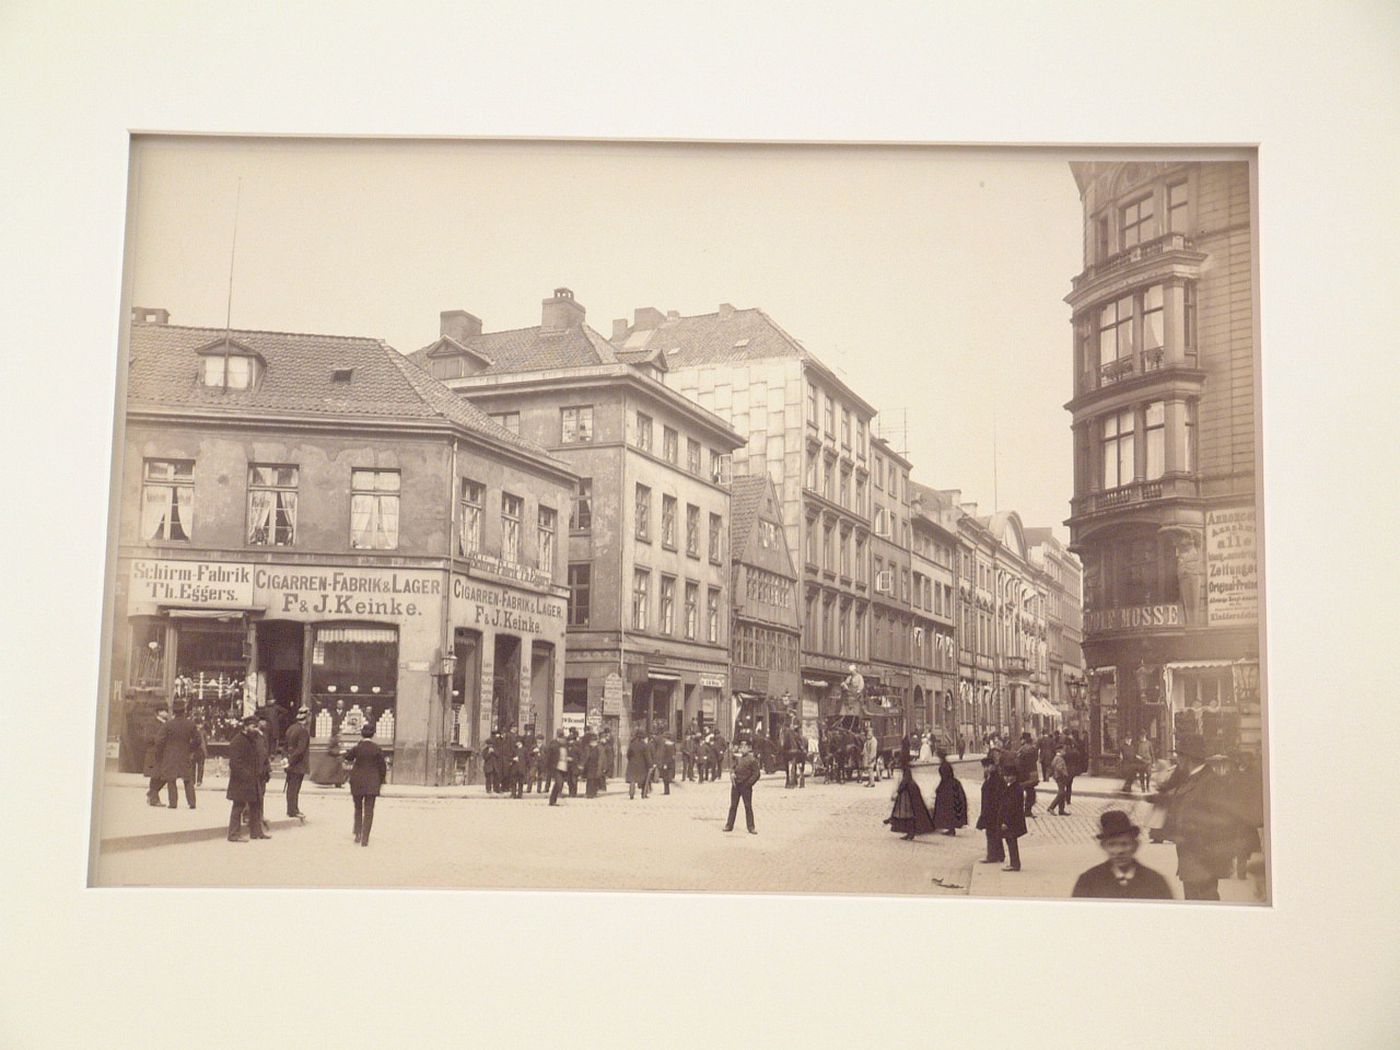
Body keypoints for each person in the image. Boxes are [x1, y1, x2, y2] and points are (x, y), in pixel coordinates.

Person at [1161, 734, 1238, 900]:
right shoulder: (1193, 778)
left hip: (1204, 860)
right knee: (1193, 901)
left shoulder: (1211, 782)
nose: (1177, 761)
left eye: (1179, 756)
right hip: (1191, 858)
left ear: (1187, 758)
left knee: (1204, 904)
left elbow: (1220, 822)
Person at [1072, 810, 1174, 900]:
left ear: (1135, 845)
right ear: (1103, 846)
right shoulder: (1088, 881)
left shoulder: (1155, 882)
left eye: (1124, 844)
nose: (1119, 851)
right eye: (1112, 844)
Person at [343, 723, 387, 846]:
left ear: (362, 734)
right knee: (369, 810)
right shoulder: (377, 749)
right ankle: (365, 838)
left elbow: (348, 757)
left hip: (357, 781)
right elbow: (382, 767)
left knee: (358, 808)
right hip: (372, 783)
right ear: (373, 735)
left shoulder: (357, 747)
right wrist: (381, 780)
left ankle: (357, 833)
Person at [154, 699, 202, 809]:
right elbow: (198, 740)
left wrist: (164, 749)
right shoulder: (190, 724)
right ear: (184, 711)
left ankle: (173, 803)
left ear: (174, 712)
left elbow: (159, 740)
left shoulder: (168, 725)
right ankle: (192, 802)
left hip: (170, 755)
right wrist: (190, 748)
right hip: (185, 754)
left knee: (171, 780)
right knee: (187, 779)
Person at [226, 716, 267, 842]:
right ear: (245, 727)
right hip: (241, 781)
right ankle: (233, 834)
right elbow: (234, 763)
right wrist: (246, 775)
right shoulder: (237, 741)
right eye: (253, 727)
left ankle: (256, 832)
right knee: (238, 806)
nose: (256, 729)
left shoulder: (252, 740)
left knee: (255, 806)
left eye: (256, 726)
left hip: (253, 779)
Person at [884, 757, 935, 840]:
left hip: (908, 793)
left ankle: (910, 833)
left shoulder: (906, 769)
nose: (898, 763)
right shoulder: (906, 769)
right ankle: (909, 832)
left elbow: (905, 781)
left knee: (909, 814)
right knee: (909, 814)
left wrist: (899, 790)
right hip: (909, 791)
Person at [996, 759, 1028, 872]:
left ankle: (1015, 864)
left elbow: (1011, 807)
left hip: (1012, 820)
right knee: (1010, 841)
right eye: (1006, 776)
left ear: (1014, 776)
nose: (1007, 778)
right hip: (1013, 819)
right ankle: (1014, 863)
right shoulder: (1013, 787)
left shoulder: (1015, 789)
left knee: (1011, 841)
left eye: (1009, 776)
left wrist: (1005, 821)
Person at [723, 741, 761, 834]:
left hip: (746, 786)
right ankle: (729, 825)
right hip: (736, 785)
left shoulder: (752, 760)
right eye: (741, 747)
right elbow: (732, 767)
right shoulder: (737, 758)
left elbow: (756, 774)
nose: (743, 749)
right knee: (733, 806)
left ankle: (751, 827)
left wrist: (749, 783)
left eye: (745, 747)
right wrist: (732, 773)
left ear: (749, 748)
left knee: (748, 806)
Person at [975, 757, 1004, 864]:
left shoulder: (995, 779)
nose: (985, 769)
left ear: (992, 766)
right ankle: (1000, 855)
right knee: (995, 832)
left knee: (991, 833)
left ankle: (992, 856)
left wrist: (986, 812)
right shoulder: (992, 777)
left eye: (987, 767)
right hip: (992, 810)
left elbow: (995, 797)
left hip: (992, 810)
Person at [283, 707, 310, 818]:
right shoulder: (303, 731)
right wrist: (291, 761)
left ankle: (291, 809)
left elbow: (285, 746)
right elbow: (301, 750)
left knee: (290, 788)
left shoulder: (290, 728)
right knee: (295, 788)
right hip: (298, 764)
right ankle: (293, 810)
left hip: (290, 761)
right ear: (307, 717)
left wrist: (285, 759)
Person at [931, 757, 968, 836]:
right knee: (951, 808)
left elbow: (944, 778)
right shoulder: (946, 764)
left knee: (948, 808)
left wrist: (939, 788)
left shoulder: (944, 766)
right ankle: (951, 828)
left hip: (948, 788)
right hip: (952, 786)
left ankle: (951, 828)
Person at [144, 709, 171, 806]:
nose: (167, 713)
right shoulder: (151, 723)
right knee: (155, 776)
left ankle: (151, 793)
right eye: (164, 711)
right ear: (159, 712)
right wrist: (159, 738)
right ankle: (154, 799)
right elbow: (147, 738)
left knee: (165, 776)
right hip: (154, 753)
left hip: (165, 754)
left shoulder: (168, 723)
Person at [1015, 732, 1039, 818]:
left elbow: (1018, 761)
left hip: (1022, 773)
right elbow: (1035, 759)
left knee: (1022, 791)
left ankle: (1020, 809)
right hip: (1031, 773)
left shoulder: (1021, 749)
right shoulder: (1033, 749)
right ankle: (1027, 810)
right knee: (1031, 792)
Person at [545, 730, 570, 806]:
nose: (563, 740)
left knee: (559, 784)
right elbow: (549, 757)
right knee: (559, 783)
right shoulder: (554, 745)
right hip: (556, 767)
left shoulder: (565, 746)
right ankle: (552, 800)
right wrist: (548, 767)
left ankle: (553, 800)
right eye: (562, 738)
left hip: (564, 767)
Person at [626, 730, 651, 800]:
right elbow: (647, 756)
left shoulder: (632, 744)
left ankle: (631, 793)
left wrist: (630, 760)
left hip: (632, 764)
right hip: (642, 765)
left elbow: (628, 754)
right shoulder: (644, 745)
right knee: (643, 780)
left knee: (632, 779)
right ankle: (644, 794)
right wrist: (650, 764)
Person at [1046, 745, 1070, 815]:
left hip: (1057, 776)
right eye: (1063, 750)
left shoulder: (1056, 758)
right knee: (1061, 793)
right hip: (1060, 777)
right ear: (1059, 751)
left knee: (1062, 793)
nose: (1064, 752)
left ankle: (1061, 810)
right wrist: (1065, 773)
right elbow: (1059, 768)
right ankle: (1051, 807)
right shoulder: (1059, 758)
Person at [655, 731, 677, 795]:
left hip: (666, 763)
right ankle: (667, 790)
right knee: (667, 776)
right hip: (671, 763)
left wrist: (664, 763)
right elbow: (673, 755)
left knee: (665, 777)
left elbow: (664, 755)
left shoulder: (665, 745)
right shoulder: (672, 745)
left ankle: (666, 791)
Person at [581, 731, 602, 798]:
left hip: (595, 765)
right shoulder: (588, 747)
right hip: (590, 766)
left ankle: (592, 792)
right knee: (590, 779)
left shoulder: (598, 748)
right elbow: (585, 757)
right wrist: (583, 764)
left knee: (593, 780)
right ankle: (590, 793)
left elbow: (602, 758)